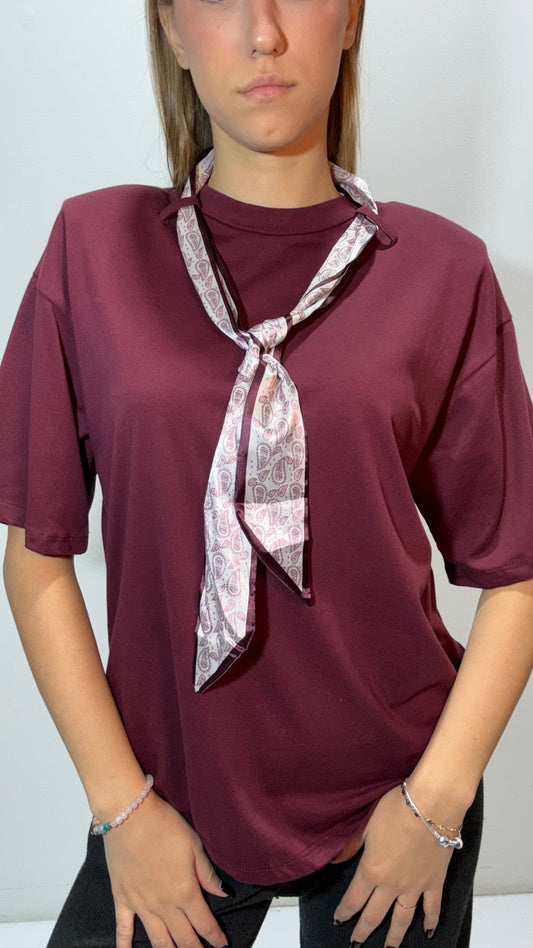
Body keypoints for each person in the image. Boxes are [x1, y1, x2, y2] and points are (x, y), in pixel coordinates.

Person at [1, 1, 532, 947]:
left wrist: (435, 806)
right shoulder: (94, 248)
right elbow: (36, 554)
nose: (263, 33)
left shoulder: (444, 270)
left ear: (351, 18)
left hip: (400, 805)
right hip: (165, 801)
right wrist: (121, 810)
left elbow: (517, 570)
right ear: (171, 30)